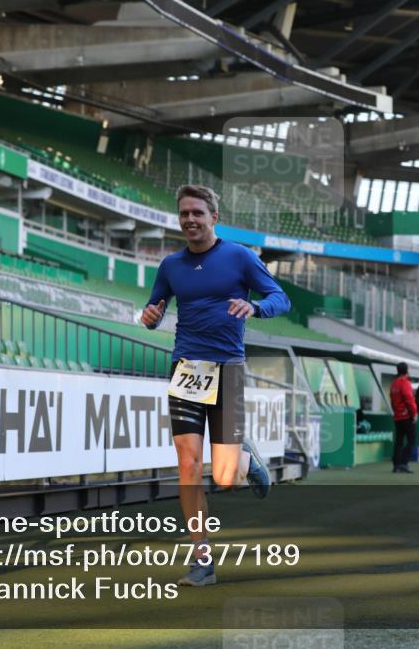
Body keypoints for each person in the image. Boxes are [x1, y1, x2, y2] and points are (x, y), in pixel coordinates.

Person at [141, 184, 291, 586]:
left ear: (213, 218)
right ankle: (201, 560)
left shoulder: (239, 256)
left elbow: (281, 297)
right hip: (187, 368)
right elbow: (155, 308)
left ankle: (247, 459)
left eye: (197, 213)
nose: (190, 219)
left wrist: (255, 306)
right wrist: (151, 316)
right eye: (184, 213)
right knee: (188, 465)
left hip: (228, 368)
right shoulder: (171, 266)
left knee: (225, 478)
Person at [389, 362, 418, 474]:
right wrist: (414, 413)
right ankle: (404, 463)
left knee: (399, 441)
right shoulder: (405, 383)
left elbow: (392, 401)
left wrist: (396, 412)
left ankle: (396, 465)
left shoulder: (393, 384)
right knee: (411, 440)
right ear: (406, 370)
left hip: (398, 417)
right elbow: (409, 399)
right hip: (406, 416)